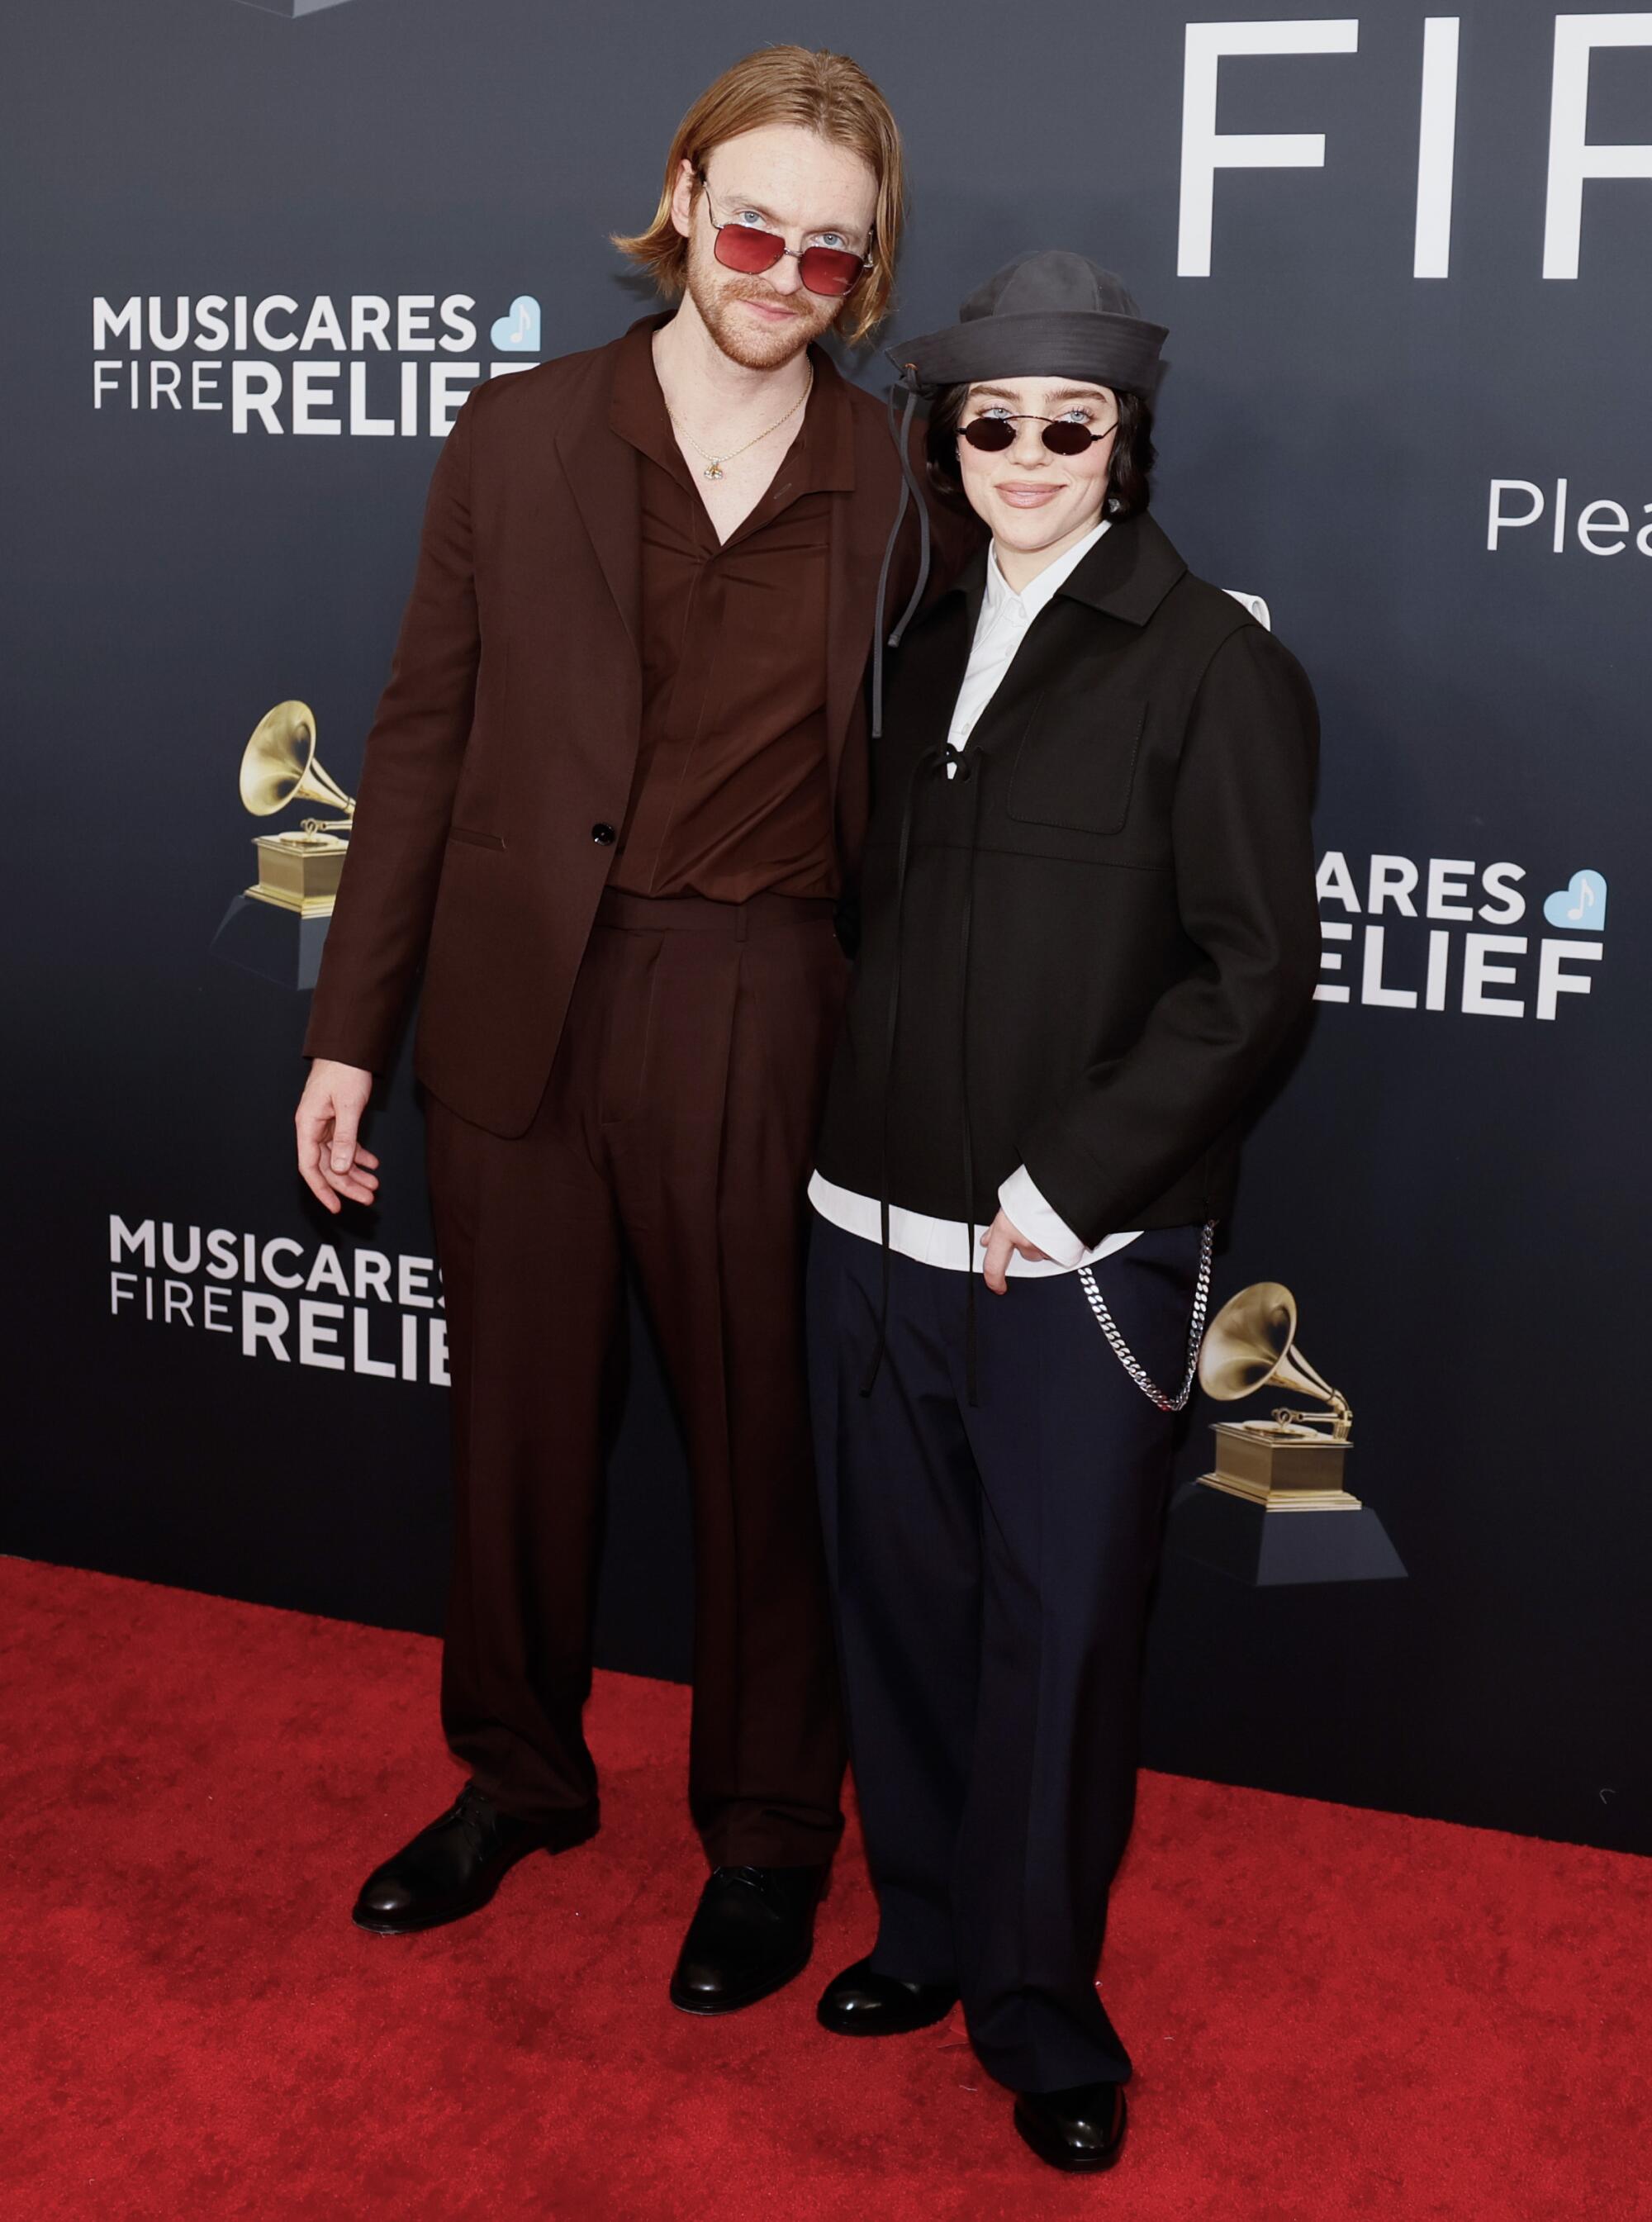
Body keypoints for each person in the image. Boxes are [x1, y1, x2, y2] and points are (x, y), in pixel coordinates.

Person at [292, 46, 974, 2015]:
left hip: (760, 1000)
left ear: (863, 278)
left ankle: (768, 1830)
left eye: (831, 254)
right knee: (514, 1432)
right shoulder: (514, 435)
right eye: (750, 221)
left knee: (770, 1445)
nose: (781, 269)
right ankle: (514, 1775)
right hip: (518, 996)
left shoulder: (902, 483)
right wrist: (352, 1028)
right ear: (679, 200)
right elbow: (415, 743)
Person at [805, 251, 1321, 2168]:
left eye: (1066, 426)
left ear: (1126, 442)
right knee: (904, 1601)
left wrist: (1070, 1179)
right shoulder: (916, 646)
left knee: (1060, 1628)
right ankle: (926, 1929)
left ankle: (1038, 2005)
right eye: (989, 422)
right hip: (865, 1228)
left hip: (1072, 1258)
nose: (1022, 455)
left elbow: (1254, 977)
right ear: (947, 435)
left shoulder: (1215, 665)